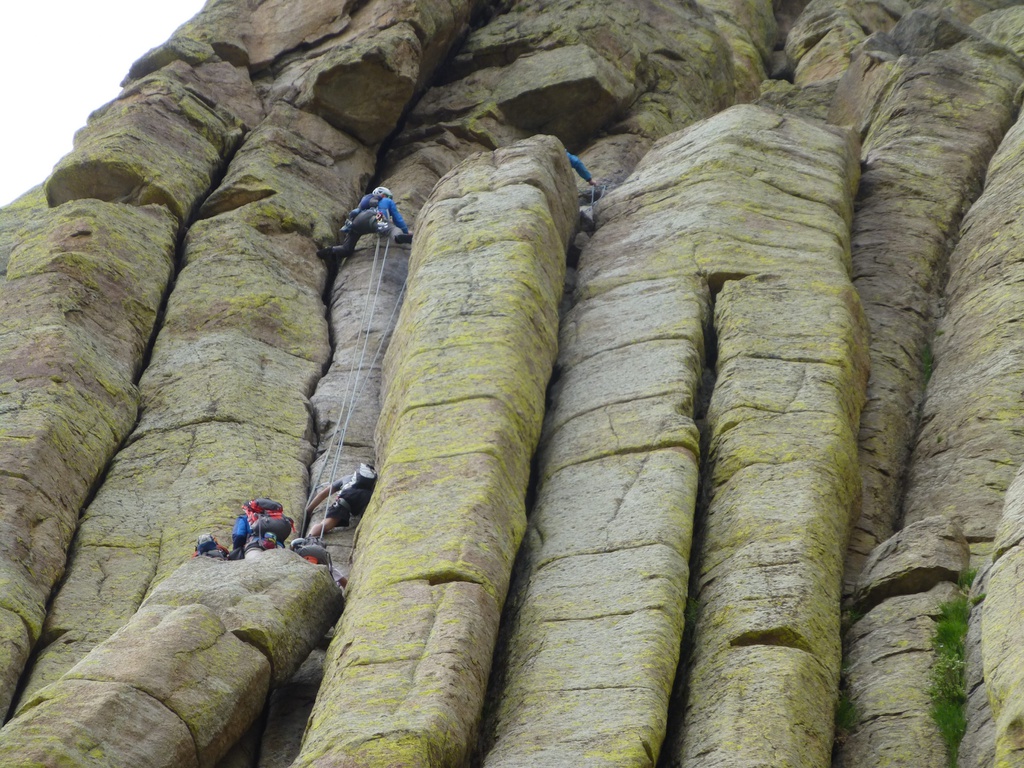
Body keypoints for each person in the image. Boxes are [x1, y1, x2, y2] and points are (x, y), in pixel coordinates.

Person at [318, 187, 412, 261]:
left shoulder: (364, 204)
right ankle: (399, 236)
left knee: (347, 248)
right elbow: (397, 219)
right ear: (384, 195)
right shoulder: (386, 201)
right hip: (376, 216)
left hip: (357, 221)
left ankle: (329, 250)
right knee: (391, 228)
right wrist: (405, 231)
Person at [305, 463, 378, 536]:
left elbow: (323, 494)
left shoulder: (347, 479)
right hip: (361, 502)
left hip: (343, 503)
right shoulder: (369, 485)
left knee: (324, 526)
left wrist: (309, 510)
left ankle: (308, 539)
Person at [229, 497, 295, 560]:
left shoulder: (245, 518)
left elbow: (239, 535)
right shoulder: (280, 519)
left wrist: (237, 550)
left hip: (254, 545)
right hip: (277, 547)